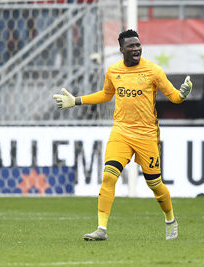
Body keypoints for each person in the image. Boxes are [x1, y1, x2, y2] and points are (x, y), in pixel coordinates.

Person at [53, 29, 193, 241]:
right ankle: (101, 229)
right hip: (121, 131)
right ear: (121, 50)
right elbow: (105, 94)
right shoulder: (113, 71)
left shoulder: (153, 70)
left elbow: (173, 96)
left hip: (146, 134)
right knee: (109, 175)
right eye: (131, 46)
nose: (136, 48)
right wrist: (77, 100)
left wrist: (182, 95)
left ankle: (170, 220)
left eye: (138, 45)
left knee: (155, 184)